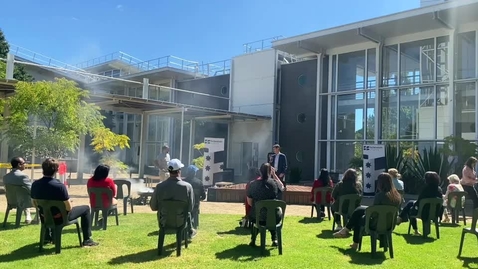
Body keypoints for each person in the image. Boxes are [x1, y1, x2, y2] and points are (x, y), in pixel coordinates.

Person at [31, 158, 98, 247]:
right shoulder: (59, 186)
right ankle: (87, 239)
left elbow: (34, 203)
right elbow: (68, 208)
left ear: (43, 169)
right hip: (60, 218)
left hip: (44, 216)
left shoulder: (35, 184)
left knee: (46, 209)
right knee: (85, 209)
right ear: (56, 170)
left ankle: (47, 237)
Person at [333, 173, 402, 250]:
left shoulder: (380, 196)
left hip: (376, 223)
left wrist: (367, 214)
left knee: (358, 218)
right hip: (390, 224)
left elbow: (375, 212)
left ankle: (352, 239)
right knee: (360, 209)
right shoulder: (397, 196)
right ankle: (346, 230)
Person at [150, 159, 196, 239]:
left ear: (169, 171)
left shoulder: (160, 187)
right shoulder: (187, 187)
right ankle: (190, 230)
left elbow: (153, 207)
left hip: (164, 222)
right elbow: (190, 208)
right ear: (179, 171)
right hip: (181, 222)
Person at [247, 163, 283, 247]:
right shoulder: (274, 184)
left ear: (260, 171)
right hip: (274, 217)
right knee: (272, 215)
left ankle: (253, 239)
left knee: (258, 217)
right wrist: (274, 175)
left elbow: (249, 202)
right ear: (270, 171)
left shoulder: (253, 184)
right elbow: (282, 187)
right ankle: (274, 239)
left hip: (258, 217)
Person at [397, 171, 443, 235]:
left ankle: (403, 221)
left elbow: (419, 202)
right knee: (411, 203)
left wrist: (415, 204)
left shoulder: (426, 189)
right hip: (435, 213)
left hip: (423, 211)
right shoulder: (439, 189)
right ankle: (400, 218)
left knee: (410, 206)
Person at [3, 157, 33, 224]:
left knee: (23, 195)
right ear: (19, 165)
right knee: (37, 198)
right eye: (24, 163)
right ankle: (36, 219)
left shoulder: (5, 177)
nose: (25, 165)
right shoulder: (23, 176)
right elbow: (31, 191)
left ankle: (28, 216)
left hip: (11, 201)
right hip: (24, 201)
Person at [183, 165, 206, 230]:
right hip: (195, 204)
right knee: (195, 212)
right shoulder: (199, 182)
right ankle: (194, 226)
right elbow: (203, 196)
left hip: (184, 204)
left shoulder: (183, 182)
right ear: (194, 173)